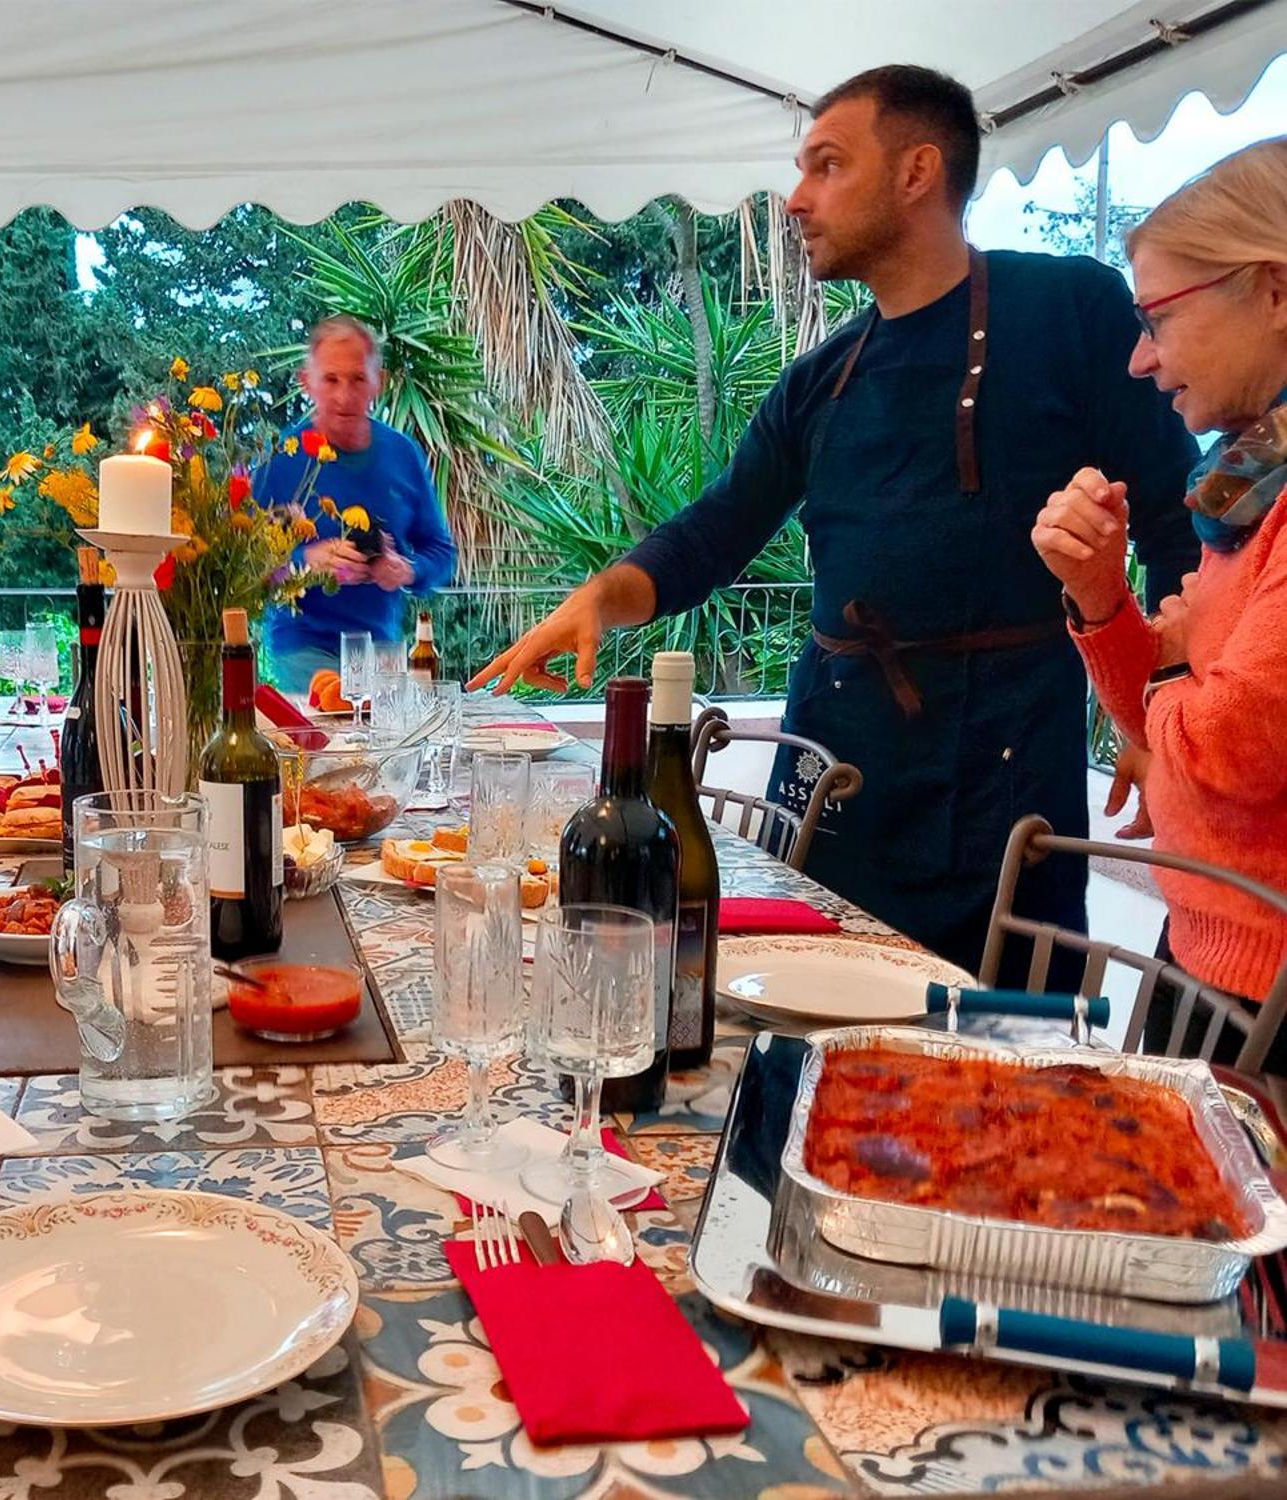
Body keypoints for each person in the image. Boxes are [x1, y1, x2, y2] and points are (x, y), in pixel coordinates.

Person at [470, 66, 1200, 972]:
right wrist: (602, 597)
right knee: (803, 1021)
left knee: (997, 1061)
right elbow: (717, 529)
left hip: (1006, 770)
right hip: (839, 758)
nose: (795, 198)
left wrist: (1163, 701)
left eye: (826, 166)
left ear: (916, 171)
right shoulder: (821, 376)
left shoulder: (1070, 311)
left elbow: (1178, 518)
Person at [1032, 137, 1287, 1064]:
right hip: (1213, 956)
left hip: (1267, 1003)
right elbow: (1162, 728)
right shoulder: (1251, 488)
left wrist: (1178, 660)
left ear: (1274, 291)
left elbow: (1229, 750)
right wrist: (1102, 600)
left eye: (1158, 319)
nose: (1141, 360)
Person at [256, 315, 458, 692]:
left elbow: (442, 553)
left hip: (381, 650)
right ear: (307, 383)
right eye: (331, 379)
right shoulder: (280, 458)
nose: (344, 396)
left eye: (357, 379)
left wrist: (405, 569)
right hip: (303, 648)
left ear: (377, 383)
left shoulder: (403, 454)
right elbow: (245, 567)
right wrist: (307, 562)